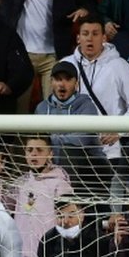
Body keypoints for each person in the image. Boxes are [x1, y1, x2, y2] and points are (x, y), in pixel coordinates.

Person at [0, 0, 95, 111]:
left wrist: (83, 10)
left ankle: (52, 140)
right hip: (22, 53)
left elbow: (89, 2)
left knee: (55, 111)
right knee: (18, 113)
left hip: (53, 54)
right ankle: (22, 140)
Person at [62, 15, 129, 193]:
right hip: (74, 150)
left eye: (95, 33)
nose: (90, 38)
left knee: (105, 206)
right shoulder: (65, 65)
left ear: (104, 38)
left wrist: (119, 131)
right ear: (78, 38)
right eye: (85, 33)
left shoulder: (119, 65)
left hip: (109, 151)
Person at [0, 134, 73, 257]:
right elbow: (0, 206)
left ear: (50, 154)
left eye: (39, 150)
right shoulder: (21, 183)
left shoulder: (60, 184)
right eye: (30, 150)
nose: (34, 154)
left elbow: (69, 220)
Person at [32, 60, 103, 189]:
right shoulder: (41, 108)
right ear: (51, 82)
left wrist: (50, 140)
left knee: (70, 150)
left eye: (67, 80)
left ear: (76, 84)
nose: (62, 84)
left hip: (90, 170)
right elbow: (37, 140)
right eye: (58, 79)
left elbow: (81, 139)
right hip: (52, 167)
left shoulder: (86, 106)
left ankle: (70, 199)